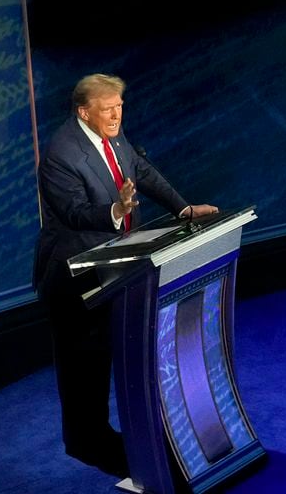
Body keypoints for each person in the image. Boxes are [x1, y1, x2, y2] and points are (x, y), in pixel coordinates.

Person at [33, 73, 218, 478]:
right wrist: (117, 211)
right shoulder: (61, 155)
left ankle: (146, 448)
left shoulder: (112, 131)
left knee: (125, 351)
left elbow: (142, 171)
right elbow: (75, 214)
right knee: (85, 369)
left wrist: (182, 209)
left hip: (117, 266)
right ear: (84, 112)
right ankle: (89, 442)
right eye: (107, 109)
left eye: (120, 106)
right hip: (74, 278)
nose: (116, 115)